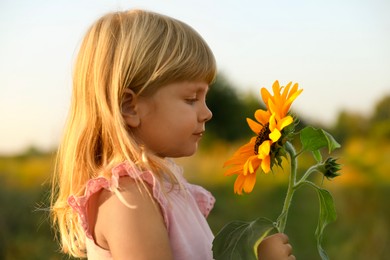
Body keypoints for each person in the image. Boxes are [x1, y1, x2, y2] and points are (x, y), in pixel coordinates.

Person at [50, 9, 295, 260]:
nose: (207, 113)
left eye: (205, 97)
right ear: (129, 107)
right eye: (191, 99)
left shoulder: (160, 187)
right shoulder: (128, 198)